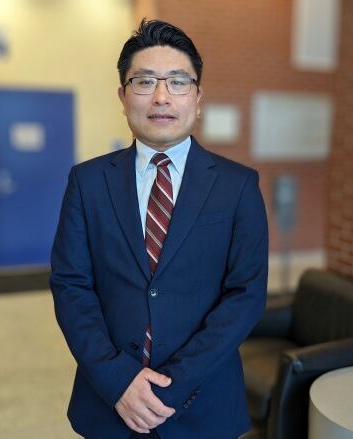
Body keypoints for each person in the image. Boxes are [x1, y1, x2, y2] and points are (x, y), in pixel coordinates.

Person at [50, 18, 268, 439]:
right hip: (108, 404)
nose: (162, 97)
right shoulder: (88, 182)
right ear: (123, 96)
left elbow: (246, 295)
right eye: (145, 81)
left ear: (198, 97)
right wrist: (118, 382)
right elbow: (71, 286)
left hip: (203, 403)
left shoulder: (238, 186)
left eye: (178, 82)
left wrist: (172, 388)